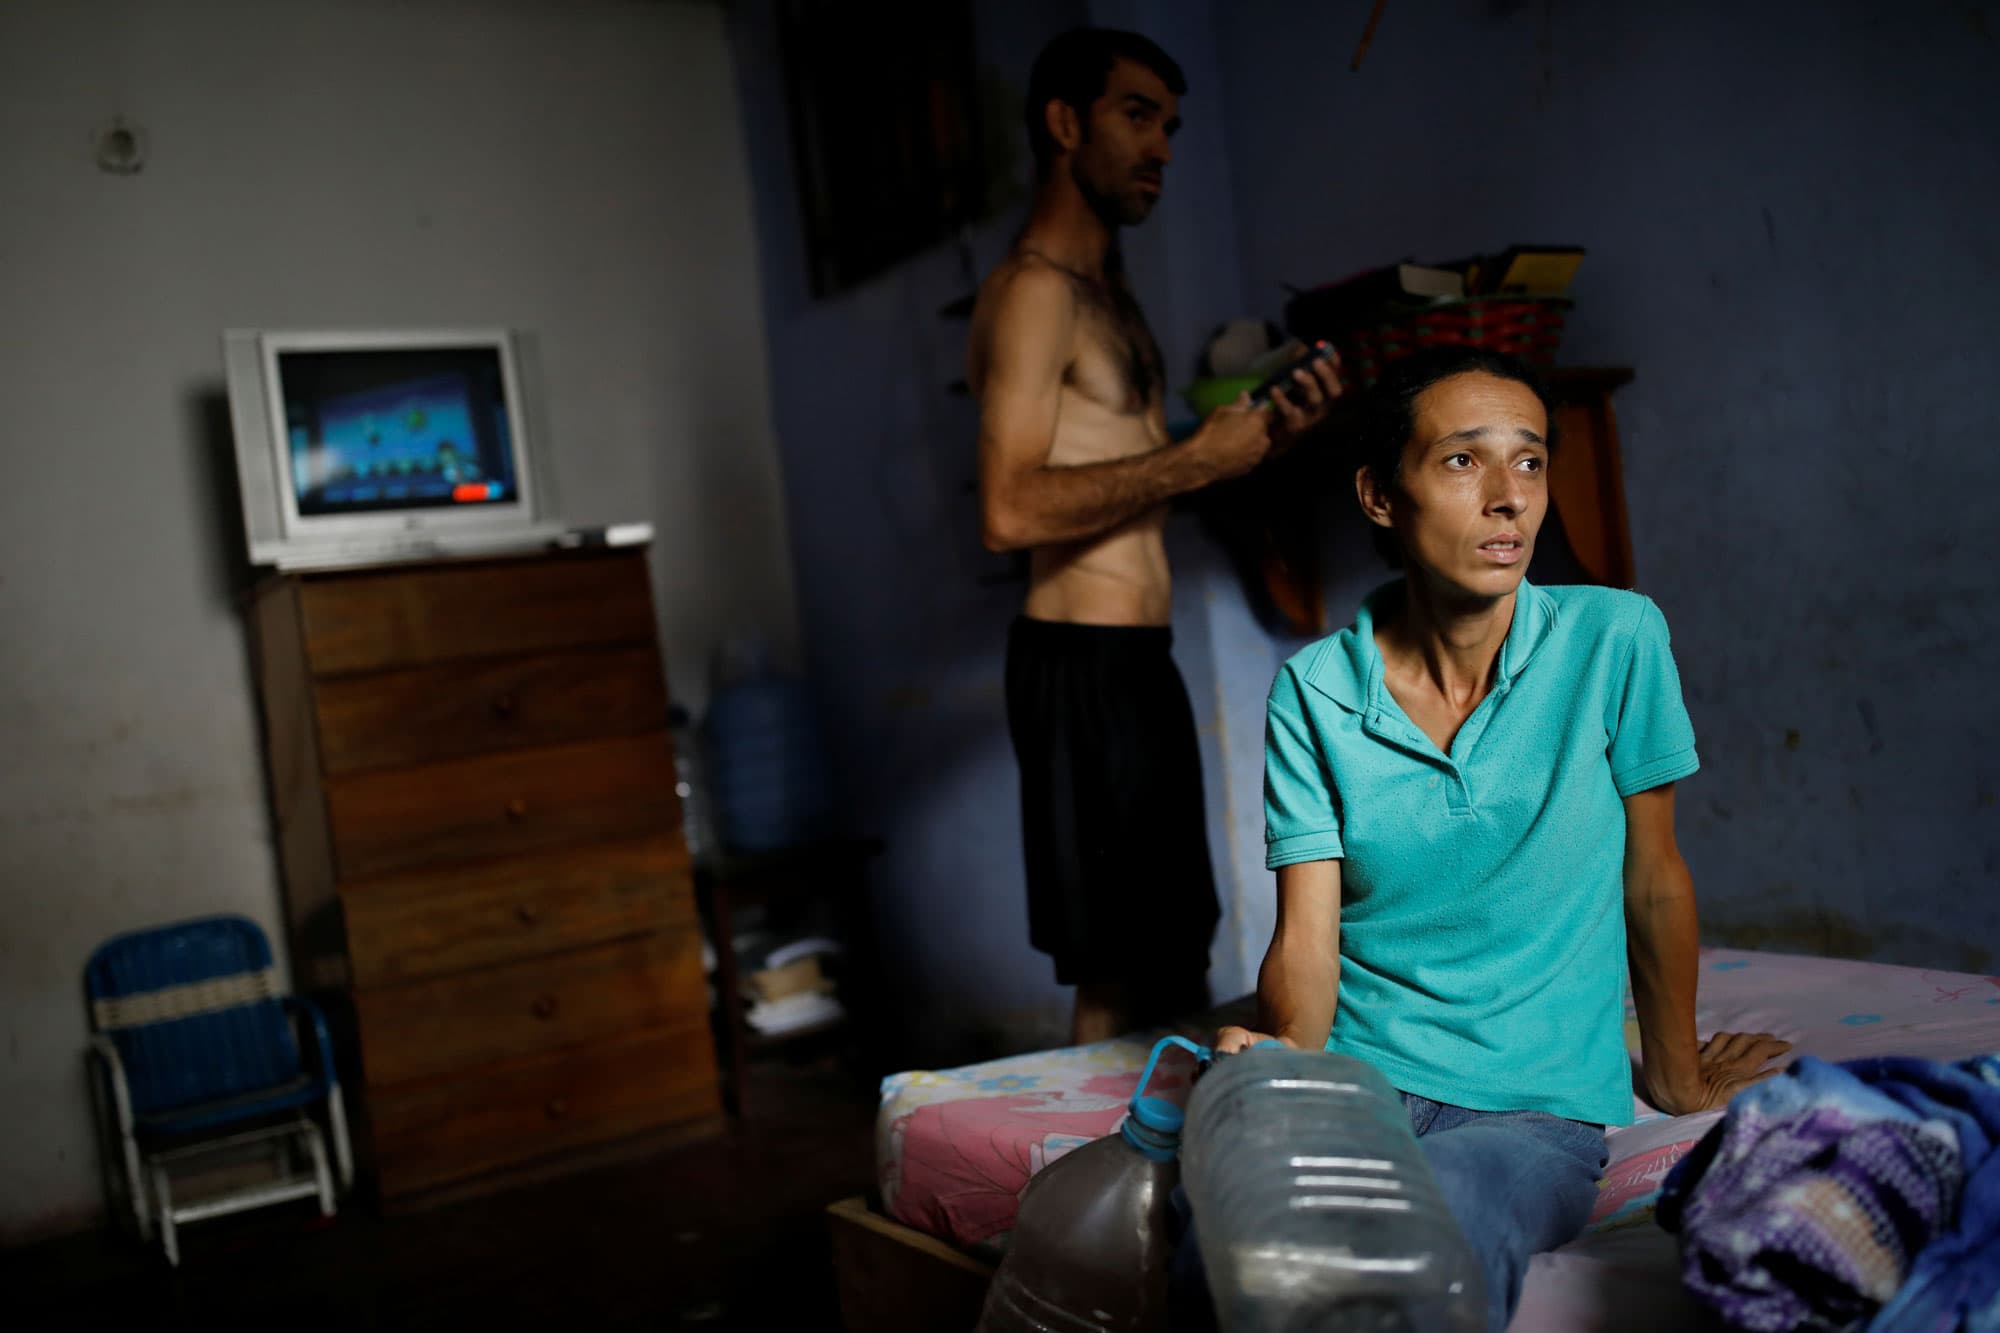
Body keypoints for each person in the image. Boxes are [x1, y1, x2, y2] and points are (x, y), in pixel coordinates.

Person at [1188, 346, 1793, 1331]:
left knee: (1441, 1229)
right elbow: (1307, 929)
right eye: (1463, 461)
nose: (1508, 497)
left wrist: (1675, 1072)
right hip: (1357, 1076)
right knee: (1219, 1242)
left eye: (1530, 461)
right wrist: (1287, 1066)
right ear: (1380, 496)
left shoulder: (1613, 639)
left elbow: (1651, 877)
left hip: (1524, 1107)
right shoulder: (1314, 689)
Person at [968, 27, 1344, 1044]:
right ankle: (1085, 1195)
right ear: (1062, 123)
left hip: (1138, 658)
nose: (1163, 147)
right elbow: (1006, 508)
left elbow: (1128, 486)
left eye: (1170, 126)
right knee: (1115, 963)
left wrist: (1260, 445)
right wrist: (1193, 460)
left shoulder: (1112, 300)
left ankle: (1176, 1176)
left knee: (1179, 943)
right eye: (1136, 116)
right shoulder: (1032, 292)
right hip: (1075, 664)